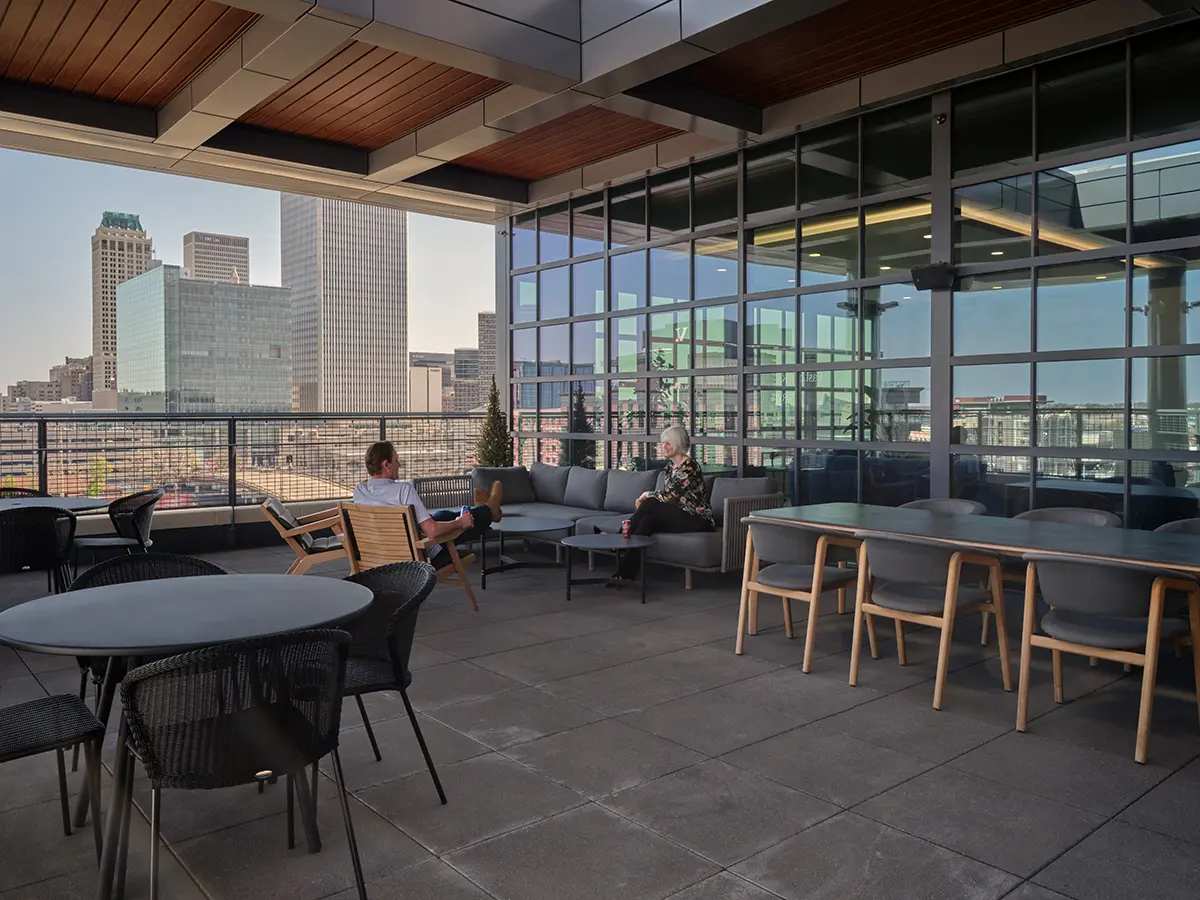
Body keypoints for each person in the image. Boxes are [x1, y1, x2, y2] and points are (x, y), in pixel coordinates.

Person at [353, 441, 502, 570]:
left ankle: (484, 508)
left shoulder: (359, 491)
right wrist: (459, 523)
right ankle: (489, 511)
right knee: (465, 523)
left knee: (442, 515)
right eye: (396, 460)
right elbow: (432, 531)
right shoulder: (403, 490)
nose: (399, 464)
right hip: (415, 555)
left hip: (378, 554)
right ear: (386, 464)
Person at [613, 424, 714, 582]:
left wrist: (646, 495)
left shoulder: (690, 467)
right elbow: (668, 499)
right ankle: (624, 573)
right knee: (647, 521)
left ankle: (619, 538)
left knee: (650, 502)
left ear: (677, 443)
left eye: (668, 443)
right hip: (678, 514)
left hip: (697, 518)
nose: (663, 446)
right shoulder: (669, 468)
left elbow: (672, 496)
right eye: (663, 442)